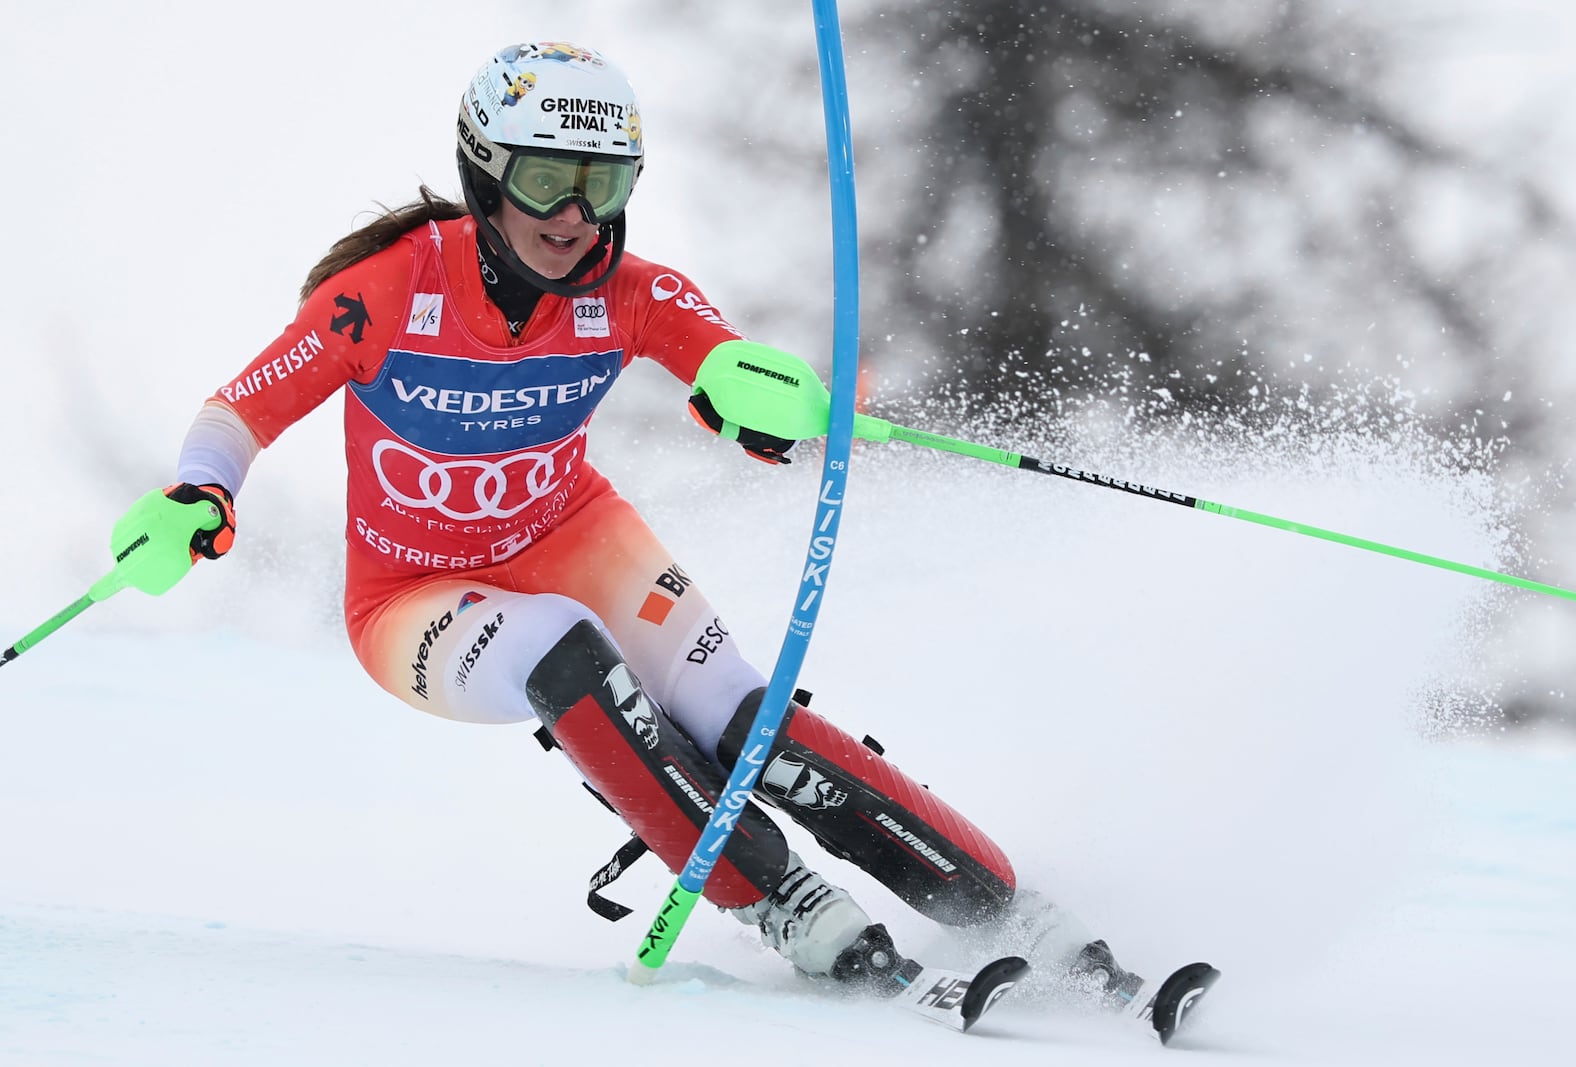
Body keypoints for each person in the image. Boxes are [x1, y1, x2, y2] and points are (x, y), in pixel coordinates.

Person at [131, 41, 1199, 1031]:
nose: (575, 214)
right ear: (484, 172)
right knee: (565, 654)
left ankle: (1015, 917)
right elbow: (240, 411)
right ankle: (788, 904)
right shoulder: (389, 292)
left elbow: (722, 362)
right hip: (412, 596)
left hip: (569, 532)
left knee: (739, 718)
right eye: (549, 177)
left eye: (604, 183)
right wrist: (198, 494)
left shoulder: (627, 293)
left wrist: (777, 406)